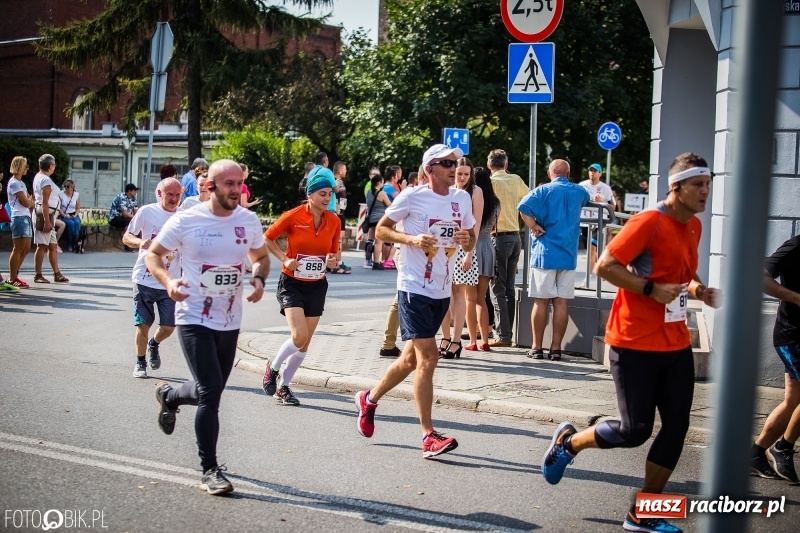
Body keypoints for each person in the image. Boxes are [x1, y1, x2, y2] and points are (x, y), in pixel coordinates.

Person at [541, 152, 722, 533]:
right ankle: (569, 444)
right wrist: (650, 289)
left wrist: (698, 288)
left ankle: (643, 513)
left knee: (677, 426)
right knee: (634, 430)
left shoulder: (693, 226)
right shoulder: (649, 221)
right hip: (634, 341)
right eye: (699, 185)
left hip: (674, 343)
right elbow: (603, 266)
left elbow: (679, 271)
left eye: (708, 184)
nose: (706, 192)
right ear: (677, 188)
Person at [144, 159, 270, 496]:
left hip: (230, 319)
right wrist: (169, 282)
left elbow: (260, 256)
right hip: (193, 316)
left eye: (239, 183)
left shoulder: (248, 220)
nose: (236, 189)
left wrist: (257, 278)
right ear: (210, 187)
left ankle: (168, 396)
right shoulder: (188, 220)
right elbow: (153, 256)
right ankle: (209, 469)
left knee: (206, 389)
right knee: (211, 392)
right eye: (228, 183)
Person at [355, 143, 476, 459]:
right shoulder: (412, 196)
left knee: (410, 361)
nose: (454, 167)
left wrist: (467, 239)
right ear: (430, 168)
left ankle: (369, 399)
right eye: (447, 163)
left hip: (441, 290)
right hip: (412, 288)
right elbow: (381, 229)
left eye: (456, 162)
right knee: (429, 358)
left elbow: (471, 235)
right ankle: (427, 436)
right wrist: (410, 239)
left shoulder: (461, 199)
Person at [261, 173, 341, 405]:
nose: (327, 198)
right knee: (299, 336)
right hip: (292, 283)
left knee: (305, 342)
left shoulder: (334, 221)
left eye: (329, 194)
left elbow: (334, 253)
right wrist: (284, 259)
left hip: (317, 284)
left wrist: (333, 260)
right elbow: (267, 238)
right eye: (322, 194)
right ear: (310, 195)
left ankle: (284, 387)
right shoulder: (293, 216)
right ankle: (273, 369)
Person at [517, 159, 590, 360]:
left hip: (544, 252)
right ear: (568, 173)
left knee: (540, 302)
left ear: (550, 174)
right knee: (561, 303)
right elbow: (587, 199)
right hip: (568, 254)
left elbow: (522, 206)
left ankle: (536, 347)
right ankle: (556, 349)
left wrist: (533, 225)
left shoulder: (542, 191)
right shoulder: (579, 191)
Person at [750, 236, 800, 483]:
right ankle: (783, 448)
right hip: (794, 336)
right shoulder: (796, 245)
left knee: (793, 401)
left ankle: (756, 453)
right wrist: (797, 298)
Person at [123, 178, 182, 378]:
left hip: (169, 281)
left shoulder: (184, 217)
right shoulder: (147, 212)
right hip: (144, 278)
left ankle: (153, 344)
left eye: (177, 195)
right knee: (143, 325)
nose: (174, 199)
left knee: (168, 326)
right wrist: (141, 242)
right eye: (169, 195)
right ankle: (140, 362)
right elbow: (126, 237)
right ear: (160, 194)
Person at [487, 149, 529, 347]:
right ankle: (508, 333)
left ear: (489, 165)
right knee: (510, 289)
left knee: (497, 287)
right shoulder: (516, 179)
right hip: (515, 238)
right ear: (506, 164)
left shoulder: (490, 183)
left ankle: (502, 335)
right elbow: (529, 201)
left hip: (498, 238)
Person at [442, 157, 483, 359]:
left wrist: (469, 252)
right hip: (444, 248)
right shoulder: (446, 190)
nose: (463, 177)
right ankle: (445, 337)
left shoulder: (475, 192)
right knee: (442, 293)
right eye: (460, 173)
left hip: (464, 248)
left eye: (467, 174)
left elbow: (475, 226)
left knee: (459, 295)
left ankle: (457, 340)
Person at [32, 154, 68, 284]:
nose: (55, 167)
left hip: (50, 215)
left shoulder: (40, 177)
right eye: (54, 165)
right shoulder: (45, 180)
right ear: (50, 166)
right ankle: (38, 275)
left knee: (52, 246)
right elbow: (45, 202)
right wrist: (47, 221)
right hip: (45, 215)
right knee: (41, 245)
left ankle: (57, 273)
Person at [579, 163, 616, 273]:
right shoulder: (582, 186)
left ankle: (587, 279)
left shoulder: (605, 188)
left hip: (599, 222)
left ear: (600, 173)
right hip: (584, 222)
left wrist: (601, 202)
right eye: (590, 170)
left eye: (595, 171)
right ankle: (603, 267)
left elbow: (613, 206)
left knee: (591, 249)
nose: (592, 172)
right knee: (590, 252)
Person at [6, 156, 34, 288]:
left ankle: (15, 274)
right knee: (18, 248)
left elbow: (30, 201)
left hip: (26, 216)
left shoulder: (21, 183)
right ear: (20, 167)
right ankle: (12, 278)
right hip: (19, 217)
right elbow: (26, 201)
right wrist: (29, 202)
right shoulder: (14, 183)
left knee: (26, 248)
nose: (27, 168)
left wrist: (29, 202)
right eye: (25, 166)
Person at [363, 174, 392, 270]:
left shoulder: (368, 192)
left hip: (370, 219)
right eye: (382, 182)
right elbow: (390, 205)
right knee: (378, 242)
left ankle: (368, 260)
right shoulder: (381, 194)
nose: (383, 184)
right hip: (379, 219)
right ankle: (376, 262)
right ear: (379, 183)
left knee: (370, 239)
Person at [330, 160, 351, 273]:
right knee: (337, 240)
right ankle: (335, 263)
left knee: (339, 239)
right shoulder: (334, 182)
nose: (346, 170)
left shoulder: (340, 182)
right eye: (344, 168)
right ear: (339, 170)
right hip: (337, 213)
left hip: (341, 213)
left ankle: (338, 261)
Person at [58, 179, 81, 252]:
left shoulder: (76, 195)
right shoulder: (61, 194)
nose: (66, 188)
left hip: (73, 214)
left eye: (68, 186)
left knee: (77, 223)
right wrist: (65, 215)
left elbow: (77, 208)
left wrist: (75, 215)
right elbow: (59, 208)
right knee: (71, 224)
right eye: (65, 186)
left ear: (72, 187)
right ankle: (70, 243)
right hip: (64, 214)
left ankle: (77, 243)